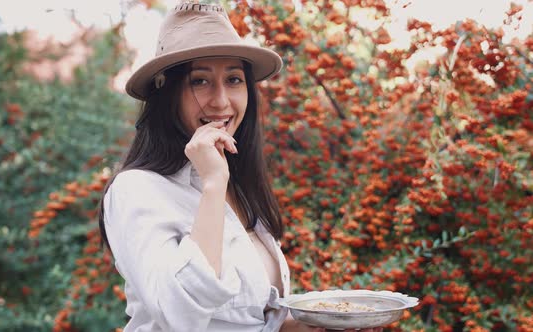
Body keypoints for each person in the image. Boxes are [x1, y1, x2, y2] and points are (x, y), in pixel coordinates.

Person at [99, 1, 383, 331]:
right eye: (200, 81)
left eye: (234, 79)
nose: (221, 101)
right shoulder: (138, 188)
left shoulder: (238, 185)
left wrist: (311, 324)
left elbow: (244, 319)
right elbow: (180, 314)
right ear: (168, 93)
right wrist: (213, 184)